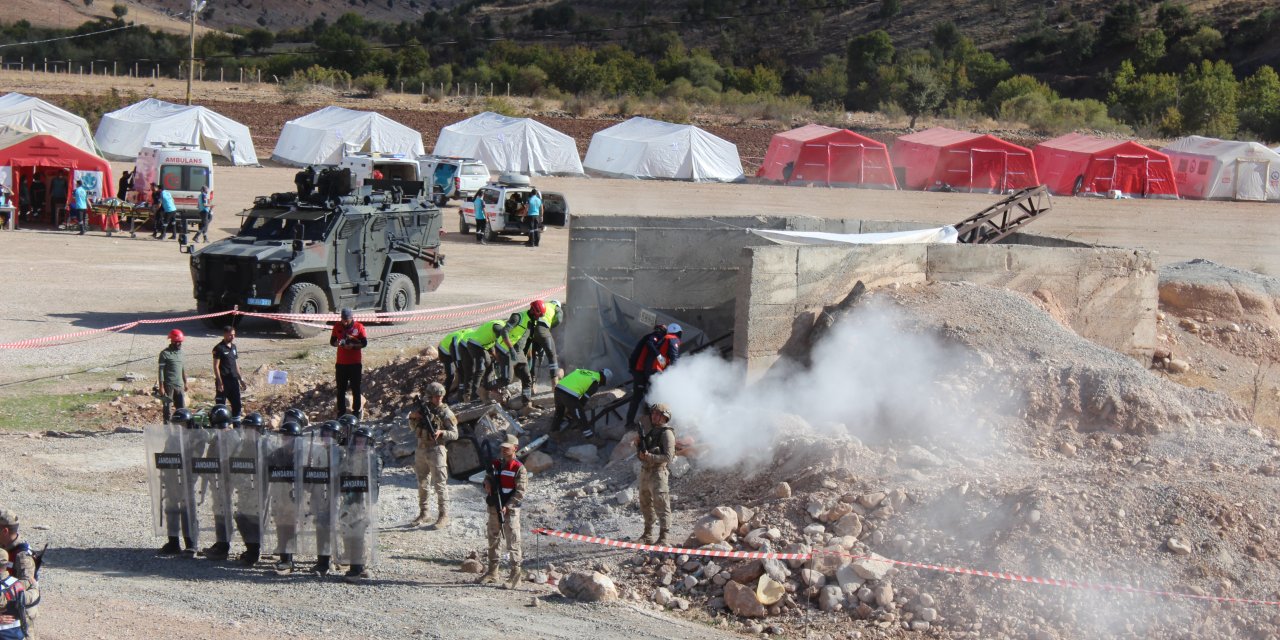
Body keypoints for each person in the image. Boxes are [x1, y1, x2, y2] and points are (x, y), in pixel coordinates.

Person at [479, 434, 527, 589]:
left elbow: (520, 492)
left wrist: (508, 506)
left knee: (513, 541)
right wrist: (486, 482)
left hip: (510, 510)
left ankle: (515, 576)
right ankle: (493, 572)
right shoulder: (496, 464)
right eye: (502, 447)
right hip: (494, 507)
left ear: (515, 448)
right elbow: (487, 477)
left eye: (507, 448)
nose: (504, 450)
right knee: (493, 539)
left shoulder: (519, 468)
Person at [409, 382, 458, 528]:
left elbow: (455, 434)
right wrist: (413, 417)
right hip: (421, 449)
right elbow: (413, 428)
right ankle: (424, 513)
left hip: (437, 450)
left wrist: (442, 432)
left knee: (440, 485)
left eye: (441, 396)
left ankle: (443, 515)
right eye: (436, 397)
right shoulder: (422, 409)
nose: (439, 399)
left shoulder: (445, 412)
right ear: (429, 397)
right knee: (422, 483)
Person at [625, 323, 682, 428]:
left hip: (644, 371)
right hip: (640, 371)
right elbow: (650, 344)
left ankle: (647, 420)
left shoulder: (659, 339)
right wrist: (659, 356)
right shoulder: (655, 336)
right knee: (639, 397)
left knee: (648, 395)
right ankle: (630, 423)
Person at [636, 403, 676, 545]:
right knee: (645, 503)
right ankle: (647, 534)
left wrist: (650, 457)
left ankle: (664, 537)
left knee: (662, 505)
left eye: (657, 414)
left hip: (658, 474)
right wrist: (640, 451)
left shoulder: (667, 433)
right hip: (645, 473)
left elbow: (668, 457)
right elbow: (642, 453)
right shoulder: (651, 431)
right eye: (653, 413)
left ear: (664, 417)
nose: (653, 416)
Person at [0, 508, 38, 639]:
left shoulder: (22, 555)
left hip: (20, 612)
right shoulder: (5, 547)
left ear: (5, 531)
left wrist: (4, 594)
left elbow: (27, 583)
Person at [331, 308, 368, 419]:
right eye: (343, 319)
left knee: (355, 388)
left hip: (355, 363)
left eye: (346, 320)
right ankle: (341, 412)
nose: (344, 322)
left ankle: (356, 411)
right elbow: (331, 341)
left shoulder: (359, 327)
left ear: (352, 318)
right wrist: (337, 343)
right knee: (340, 389)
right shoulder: (337, 326)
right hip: (341, 363)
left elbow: (364, 343)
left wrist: (352, 347)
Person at [551, 368, 610, 436]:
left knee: (559, 412)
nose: (601, 385)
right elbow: (583, 399)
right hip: (568, 394)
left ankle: (553, 432)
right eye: (603, 384)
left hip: (558, 388)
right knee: (581, 415)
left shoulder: (586, 372)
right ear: (604, 380)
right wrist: (576, 410)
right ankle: (590, 437)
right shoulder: (595, 383)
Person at [523, 299, 561, 390]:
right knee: (552, 355)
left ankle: (532, 383)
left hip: (532, 330)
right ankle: (554, 384)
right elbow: (559, 319)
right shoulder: (557, 308)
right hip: (543, 330)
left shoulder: (544, 304)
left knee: (534, 357)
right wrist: (551, 326)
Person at [213, 326, 246, 417]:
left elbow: (235, 364)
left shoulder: (234, 347)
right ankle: (220, 428)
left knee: (237, 405)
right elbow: (216, 366)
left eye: (234, 335)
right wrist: (219, 382)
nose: (233, 337)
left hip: (234, 380)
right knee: (220, 407)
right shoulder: (219, 348)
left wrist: (241, 379)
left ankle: (237, 427)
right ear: (225, 335)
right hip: (223, 381)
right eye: (230, 335)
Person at [157, 329, 188, 422]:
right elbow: (161, 371)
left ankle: (181, 427)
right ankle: (167, 427)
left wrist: (185, 382)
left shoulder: (181, 353)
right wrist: (161, 387)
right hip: (168, 386)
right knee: (167, 409)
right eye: (178, 342)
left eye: (181, 342)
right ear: (172, 341)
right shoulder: (164, 354)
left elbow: (183, 369)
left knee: (182, 408)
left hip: (180, 385)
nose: (180, 344)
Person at [435, 328, 469, 399]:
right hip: (445, 352)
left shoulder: (472, 335)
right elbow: (457, 357)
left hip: (454, 347)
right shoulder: (458, 341)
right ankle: (445, 397)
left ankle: (457, 389)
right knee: (452, 375)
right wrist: (459, 367)